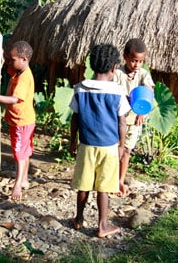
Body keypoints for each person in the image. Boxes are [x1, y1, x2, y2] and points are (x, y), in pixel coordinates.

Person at [69, 44, 130, 238]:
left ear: (92, 65)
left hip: (86, 145)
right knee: (104, 187)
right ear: (114, 68)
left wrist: (72, 141)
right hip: (109, 147)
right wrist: (121, 146)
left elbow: (75, 118)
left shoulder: (80, 89)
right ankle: (102, 226)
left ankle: (78, 219)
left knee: (84, 185)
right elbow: (122, 122)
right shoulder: (118, 91)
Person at [0, 40, 35, 201]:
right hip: (22, 120)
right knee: (24, 152)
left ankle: (18, 185)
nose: (10, 62)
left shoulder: (24, 77)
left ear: (24, 59)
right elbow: (5, 63)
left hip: (21, 122)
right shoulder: (18, 71)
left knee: (19, 154)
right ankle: (24, 179)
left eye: (13, 59)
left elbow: (14, 99)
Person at [113, 38, 155, 197]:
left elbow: (149, 89)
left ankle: (120, 181)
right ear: (125, 57)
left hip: (135, 121)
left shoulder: (143, 74)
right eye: (133, 61)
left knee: (127, 151)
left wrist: (142, 112)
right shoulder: (118, 73)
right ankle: (111, 180)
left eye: (140, 61)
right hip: (119, 121)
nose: (136, 65)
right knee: (117, 150)